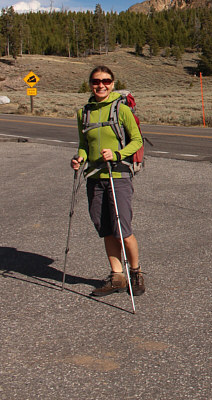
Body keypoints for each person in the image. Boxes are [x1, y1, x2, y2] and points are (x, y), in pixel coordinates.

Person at [70, 66, 146, 297]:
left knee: (122, 229)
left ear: (112, 83)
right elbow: (84, 143)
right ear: (90, 84)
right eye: (96, 81)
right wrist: (79, 158)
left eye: (106, 81)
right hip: (95, 177)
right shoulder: (84, 112)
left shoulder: (122, 110)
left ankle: (136, 272)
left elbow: (137, 141)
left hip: (118, 175)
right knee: (105, 229)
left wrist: (117, 154)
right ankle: (117, 276)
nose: (100, 85)